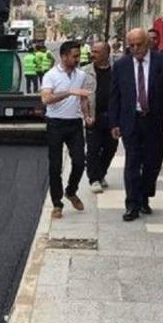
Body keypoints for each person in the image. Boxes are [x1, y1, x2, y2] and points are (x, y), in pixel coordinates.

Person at [109, 27, 163, 221]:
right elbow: (115, 96)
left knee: (152, 162)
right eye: (131, 45)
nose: (135, 48)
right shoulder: (121, 65)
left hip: (155, 120)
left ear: (148, 43)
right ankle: (132, 204)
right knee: (132, 162)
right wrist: (114, 123)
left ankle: (144, 196)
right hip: (131, 120)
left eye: (139, 44)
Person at [41, 40, 91, 218]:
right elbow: (46, 99)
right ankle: (57, 203)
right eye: (74, 56)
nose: (78, 59)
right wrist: (69, 92)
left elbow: (83, 98)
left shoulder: (81, 75)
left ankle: (71, 191)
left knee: (79, 161)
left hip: (75, 124)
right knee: (55, 166)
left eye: (78, 56)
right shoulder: (51, 75)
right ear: (63, 56)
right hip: (55, 123)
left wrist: (86, 115)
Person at [81, 40, 117, 193]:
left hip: (113, 118)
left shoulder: (117, 71)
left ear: (106, 54)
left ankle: (101, 173)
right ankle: (94, 178)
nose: (92, 54)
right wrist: (86, 115)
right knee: (93, 149)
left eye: (96, 52)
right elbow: (81, 97)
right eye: (92, 51)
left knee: (111, 148)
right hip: (94, 117)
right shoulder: (85, 72)